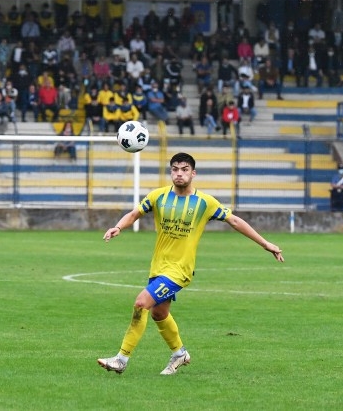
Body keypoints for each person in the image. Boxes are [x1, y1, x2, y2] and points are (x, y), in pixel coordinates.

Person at [97, 153, 285, 376]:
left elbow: (234, 220)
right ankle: (179, 354)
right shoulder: (158, 196)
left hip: (179, 270)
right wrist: (118, 227)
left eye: (184, 169)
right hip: (158, 267)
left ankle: (121, 359)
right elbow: (135, 213)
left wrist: (265, 243)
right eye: (175, 169)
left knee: (141, 303)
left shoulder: (205, 202)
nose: (179, 173)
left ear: (193, 173)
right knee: (159, 313)